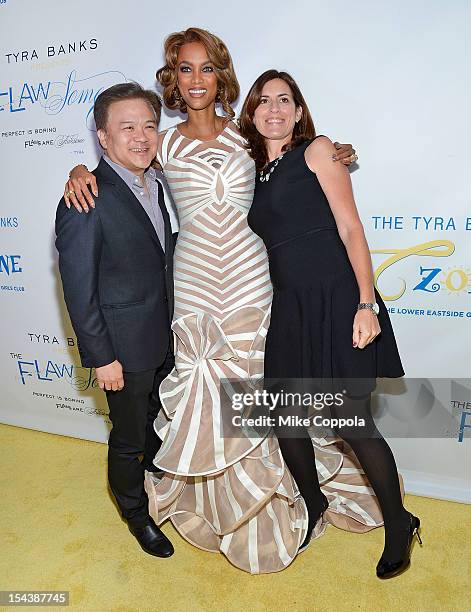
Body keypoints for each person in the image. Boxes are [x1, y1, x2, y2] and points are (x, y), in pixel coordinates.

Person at [61, 28, 372, 575]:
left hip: (253, 279)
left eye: (208, 68)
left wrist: (334, 149)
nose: (197, 79)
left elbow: (295, 159)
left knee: (260, 386)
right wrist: (79, 169)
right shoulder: (164, 144)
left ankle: (283, 489)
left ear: (221, 75)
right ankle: (214, 500)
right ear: (173, 78)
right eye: (186, 69)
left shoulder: (250, 137)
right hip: (196, 285)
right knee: (208, 395)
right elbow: (119, 164)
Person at [241, 69, 422, 579]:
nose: (273, 109)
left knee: (351, 422)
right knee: (285, 416)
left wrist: (367, 304)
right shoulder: (255, 170)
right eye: (263, 101)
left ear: (298, 111)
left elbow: (350, 226)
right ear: (251, 114)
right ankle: (314, 503)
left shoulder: (317, 151)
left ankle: (398, 523)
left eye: (284, 100)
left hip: (338, 297)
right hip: (291, 306)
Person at [55, 83, 175, 559]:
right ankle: (135, 514)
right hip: (122, 349)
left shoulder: (158, 184)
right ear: (103, 138)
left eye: (149, 125)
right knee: (126, 440)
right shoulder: (84, 198)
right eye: (127, 127)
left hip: (164, 338)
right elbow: (79, 290)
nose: (141, 136)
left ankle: (155, 474)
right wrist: (102, 358)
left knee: (152, 421)